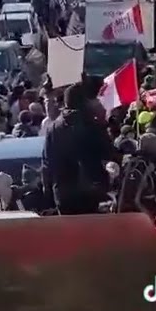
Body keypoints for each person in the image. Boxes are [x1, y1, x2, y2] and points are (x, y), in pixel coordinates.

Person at [42, 79, 112, 215]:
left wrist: (48, 192)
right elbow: (107, 154)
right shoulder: (92, 126)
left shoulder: (53, 128)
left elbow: (47, 163)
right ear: (84, 102)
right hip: (90, 191)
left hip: (63, 194)